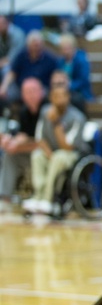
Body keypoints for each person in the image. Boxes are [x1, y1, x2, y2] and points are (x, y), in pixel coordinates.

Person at [21, 84, 84, 216]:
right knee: (37, 155)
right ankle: (38, 196)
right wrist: (49, 154)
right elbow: (40, 139)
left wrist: (56, 123)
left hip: (70, 154)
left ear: (68, 97)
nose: (59, 99)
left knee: (60, 156)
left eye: (62, 96)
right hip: (51, 152)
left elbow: (67, 146)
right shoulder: (45, 112)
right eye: (56, 96)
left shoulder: (77, 117)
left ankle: (48, 199)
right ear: (51, 98)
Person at [0, 78, 43, 208]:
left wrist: (18, 146)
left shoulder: (46, 111)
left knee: (36, 155)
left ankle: (40, 197)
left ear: (41, 92)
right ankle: (5, 197)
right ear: (22, 95)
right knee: (9, 155)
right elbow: (23, 135)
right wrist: (11, 141)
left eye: (33, 91)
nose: (30, 95)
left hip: (46, 152)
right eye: (27, 92)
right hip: (31, 151)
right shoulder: (24, 112)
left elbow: (43, 142)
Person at [0, 31, 59, 103]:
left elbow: (56, 76)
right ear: (28, 46)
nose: (36, 48)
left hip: (42, 88)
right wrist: (4, 87)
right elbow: (12, 72)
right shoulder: (22, 55)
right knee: (5, 95)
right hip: (21, 88)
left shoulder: (50, 59)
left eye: (38, 45)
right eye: (34, 45)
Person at [56, 33, 92, 115]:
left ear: (73, 47)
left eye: (68, 48)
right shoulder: (60, 61)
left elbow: (83, 80)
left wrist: (69, 86)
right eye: (63, 49)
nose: (66, 51)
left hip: (80, 92)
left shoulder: (82, 60)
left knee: (74, 99)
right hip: (63, 90)